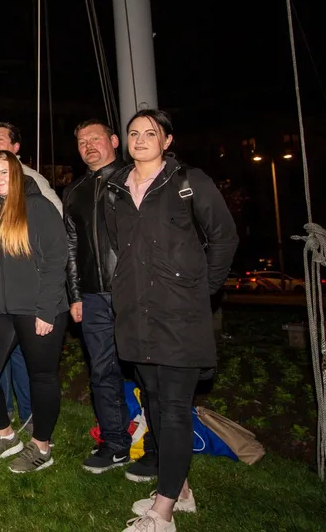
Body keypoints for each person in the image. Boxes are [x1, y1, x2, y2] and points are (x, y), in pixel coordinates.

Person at [104, 110, 237, 532]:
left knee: (175, 409)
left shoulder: (188, 182)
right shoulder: (116, 189)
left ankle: (162, 515)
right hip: (137, 315)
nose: (141, 139)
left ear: (167, 141)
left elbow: (224, 237)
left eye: (151, 133)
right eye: (134, 133)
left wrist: (201, 289)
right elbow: (120, 245)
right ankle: (181, 492)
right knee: (155, 403)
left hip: (180, 316)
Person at [0, 150, 68, 473]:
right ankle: (7, 435)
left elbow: (56, 259)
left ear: (18, 174)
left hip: (38, 307)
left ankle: (42, 446)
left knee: (42, 376)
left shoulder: (38, 207)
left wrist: (47, 310)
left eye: (4, 173)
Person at [62, 119, 135, 475]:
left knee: (147, 372)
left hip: (134, 293)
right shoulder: (74, 191)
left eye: (95, 138)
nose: (88, 146)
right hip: (92, 298)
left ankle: (157, 447)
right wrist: (75, 295)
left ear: (114, 140)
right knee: (103, 373)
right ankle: (115, 444)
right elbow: (71, 247)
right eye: (82, 141)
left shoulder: (134, 179)